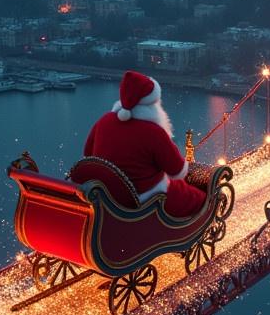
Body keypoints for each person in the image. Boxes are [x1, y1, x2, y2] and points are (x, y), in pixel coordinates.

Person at [84, 70, 206, 216]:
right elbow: (177, 171)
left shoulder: (104, 120)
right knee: (198, 199)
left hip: (106, 194)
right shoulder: (153, 131)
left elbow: (88, 155)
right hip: (145, 198)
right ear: (152, 103)